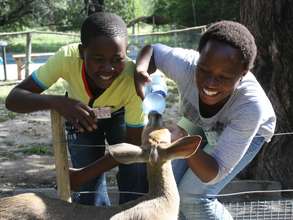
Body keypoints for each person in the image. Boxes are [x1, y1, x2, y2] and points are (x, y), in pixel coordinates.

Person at [134, 20, 276, 219]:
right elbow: (153, 51)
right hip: (198, 121)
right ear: (198, 59)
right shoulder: (186, 65)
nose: (210, 84)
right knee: (169, 184)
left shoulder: (251, 108)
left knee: (193, 197)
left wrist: (183, 143)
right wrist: (141, 70)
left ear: (243, 74)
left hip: (246, 130)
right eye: (204, 70)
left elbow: (211, 173)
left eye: (224, 77)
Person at [5, 12, 148, 206]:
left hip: (120, 115)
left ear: (126, 52)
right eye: (98, 59)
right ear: (82, 52)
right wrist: (58, 103)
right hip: (78, 115)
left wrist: (83, 174)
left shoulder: (132, 80)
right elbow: (14, 99)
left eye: (117, 59)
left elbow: (132, 144)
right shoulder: (67, 58)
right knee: (90, 194)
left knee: (135, 173)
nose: (108, 68)